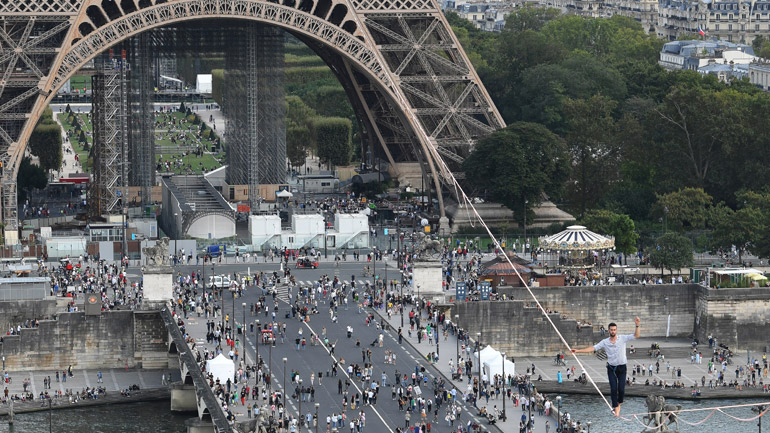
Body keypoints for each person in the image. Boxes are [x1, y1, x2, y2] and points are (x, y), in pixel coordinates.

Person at [572, 316, 641, 417]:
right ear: (608, 331)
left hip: (622, 368)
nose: (613, 331)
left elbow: (636, 335)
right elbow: (593, 348)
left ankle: (619, 404)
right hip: (611, 368)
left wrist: (637, 325)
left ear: (616, 330)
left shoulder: (622, 338)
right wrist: (578, 351)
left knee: (621, 389)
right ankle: (616, 407)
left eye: (614, 330)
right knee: (613, 389)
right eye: (611, 330)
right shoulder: (605, 342)